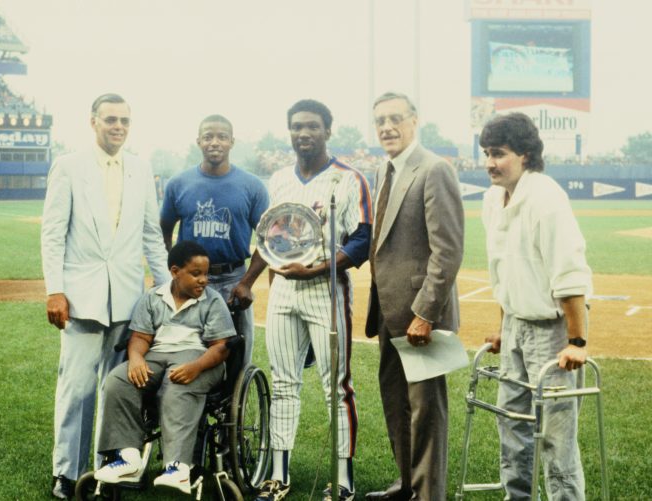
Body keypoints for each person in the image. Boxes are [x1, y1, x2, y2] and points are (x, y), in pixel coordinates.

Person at [235, 99, 372, 501]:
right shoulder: (279, 179)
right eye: (297, 127)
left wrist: (318, 268)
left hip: (326, 288)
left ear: (328, 130)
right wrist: (248, 282)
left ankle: (343, 479)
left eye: (312, 126)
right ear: (289, 131)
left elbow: (362, 239)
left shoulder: (349, 178)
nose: (304, 134)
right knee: (283, 383)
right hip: (282, 291)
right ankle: (278, 474)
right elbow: (269, 238)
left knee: (337, 386)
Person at [40, 93, 170, 499]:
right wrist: (55, 290)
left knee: (117, 389)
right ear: (93, 121)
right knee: (77, 388)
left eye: (125, 121)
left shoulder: (141, 168)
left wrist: (166, 290)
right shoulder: (68, 166)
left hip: (127, 298)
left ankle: (108, 470)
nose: (118, 127)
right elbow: (53, 232)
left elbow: (152, 234)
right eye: (111, 119)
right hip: (80, 298)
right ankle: (67, 472)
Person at [480, 112, 591, 500]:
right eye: (486, 153)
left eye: (499, 153)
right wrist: (503, 323)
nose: (490, 163)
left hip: (551, 330)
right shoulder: (492, 199)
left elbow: (569, 272)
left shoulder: (545, 197)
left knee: (556, 438)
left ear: (525, 154)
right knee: (512, 427)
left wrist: (577, 341)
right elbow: (504, 271)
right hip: (514, 325)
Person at [364, 92, 464, 501]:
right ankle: (406, 484)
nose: (387, 127)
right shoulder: (383, 171)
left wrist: (425, 312)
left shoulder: (434, 169)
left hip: (421, 315)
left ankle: (429, 495)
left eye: (394, 119)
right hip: (389, 311)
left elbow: (448, 251)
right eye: (380, 121)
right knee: (396, 404)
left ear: (414, 121)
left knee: (426, 413)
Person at [93, 240, 235, 494]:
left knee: (177, 385)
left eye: (206, 274)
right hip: (157, 355)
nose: (204, 280)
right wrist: (136, 359)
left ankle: (178, 467)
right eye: (196, 274)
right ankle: (128, 457)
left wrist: (195, 367)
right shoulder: (153, 298)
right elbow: (139, 338)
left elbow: (221, 347)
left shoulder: (213, 302)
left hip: (201, 358)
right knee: (118, 380)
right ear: (174, 271)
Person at [160, 114, 269, 365]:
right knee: (186, 348)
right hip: (191, 278)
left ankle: (234, 400)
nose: (215, 142)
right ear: (198, 141)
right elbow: (164, 228)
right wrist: (174, 269)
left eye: (221, 137)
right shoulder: (179, 183)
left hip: (233, 278)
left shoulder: (252, 186)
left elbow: (268, 241)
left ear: (232, 141)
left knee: (237, 353)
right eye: (208, 137)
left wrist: (247, 283)